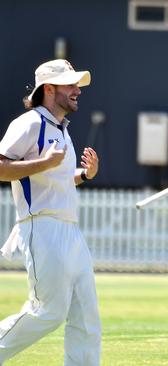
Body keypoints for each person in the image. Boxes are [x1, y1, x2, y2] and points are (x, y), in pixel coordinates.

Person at [0, 59, 101, 365]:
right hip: (42, 229)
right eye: (70, 84)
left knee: (86, 316)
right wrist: (43, 164)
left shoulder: (61, 129)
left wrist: (84, 175)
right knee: (48, 311)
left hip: (70, 229)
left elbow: (53, 178)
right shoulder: (30, 123)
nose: (77, 91)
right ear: (49, 88)